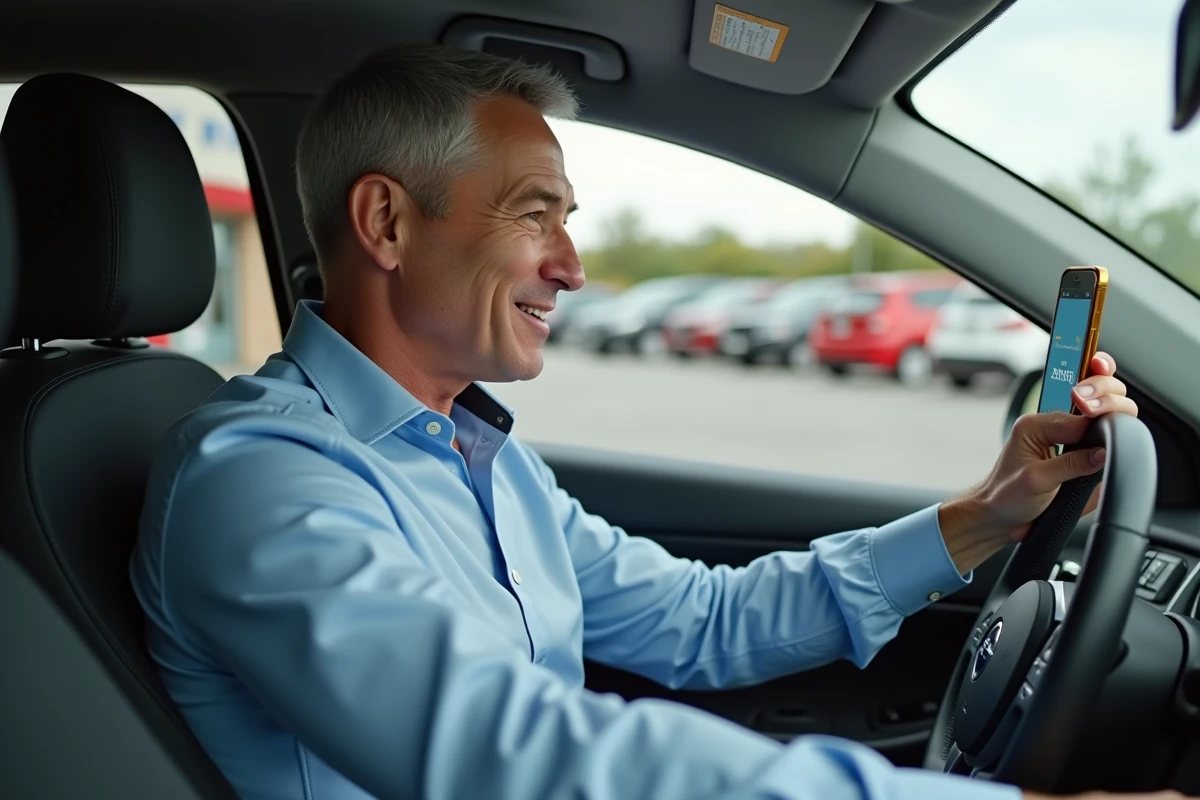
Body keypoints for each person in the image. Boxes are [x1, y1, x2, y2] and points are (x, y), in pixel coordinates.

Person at [129, 44, 1179, 800]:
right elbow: (511, 750)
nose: (574, 266)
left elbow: (702, 619)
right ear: (388, 222)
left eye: (567, 222)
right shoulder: (258, 478)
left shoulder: (483, 460)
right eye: (533, 213)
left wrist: (989, 516)